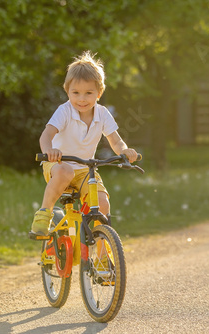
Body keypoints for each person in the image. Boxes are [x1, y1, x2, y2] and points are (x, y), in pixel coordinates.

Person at [30, 51, 138, 236]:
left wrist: (125, 151)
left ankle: (104, 255)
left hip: (85, 170)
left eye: (89, 93)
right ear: (67, 91)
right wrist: (49, 151)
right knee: (66, 171)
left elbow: (115, 139)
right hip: (58, 165)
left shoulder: (102, 113)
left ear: (99, 92)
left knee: (102, 204)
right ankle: (44, 214)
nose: (82, 99)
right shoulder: (64, 111)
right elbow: (46, 135)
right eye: (76, 93)